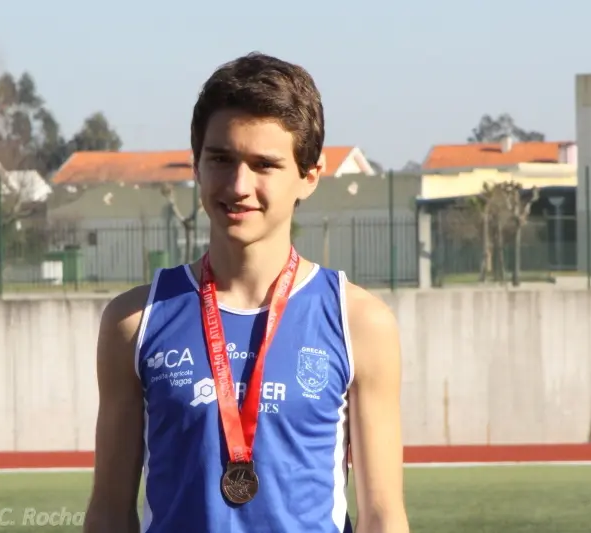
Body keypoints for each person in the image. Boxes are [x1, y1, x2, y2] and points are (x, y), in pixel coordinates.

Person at [83, 52, 409, 533]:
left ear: (309, 176)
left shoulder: (358, 321)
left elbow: (382, 516)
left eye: (264, 165)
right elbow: (109, 512)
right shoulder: (135, 321)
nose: (239, 185)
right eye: (221, 159)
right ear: (196, 164)